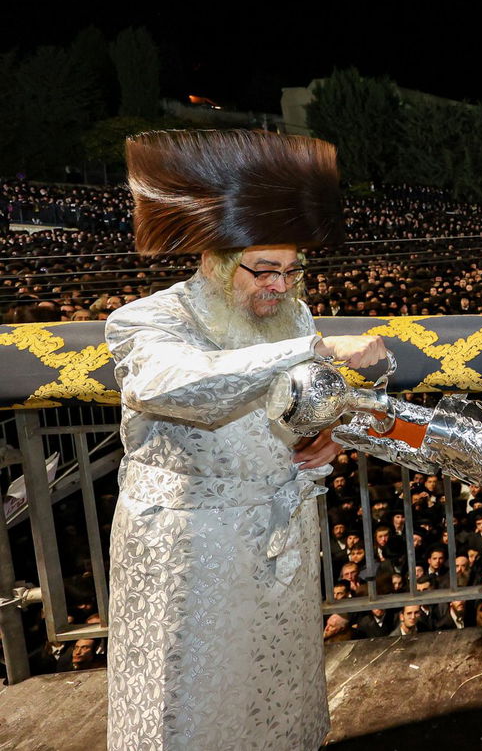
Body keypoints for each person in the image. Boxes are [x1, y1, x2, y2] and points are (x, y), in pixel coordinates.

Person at [104, 130, 386, 751]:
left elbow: (297, 404)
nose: (280, 287)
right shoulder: (147, 319)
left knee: (274, 697)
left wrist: (323, 437)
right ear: (216, 260)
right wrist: (314, 347)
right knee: (190, 704)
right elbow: (177, 386)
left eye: (292, 270)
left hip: (279, 534)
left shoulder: (291, 316)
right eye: (264, 270)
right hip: (190, 547)